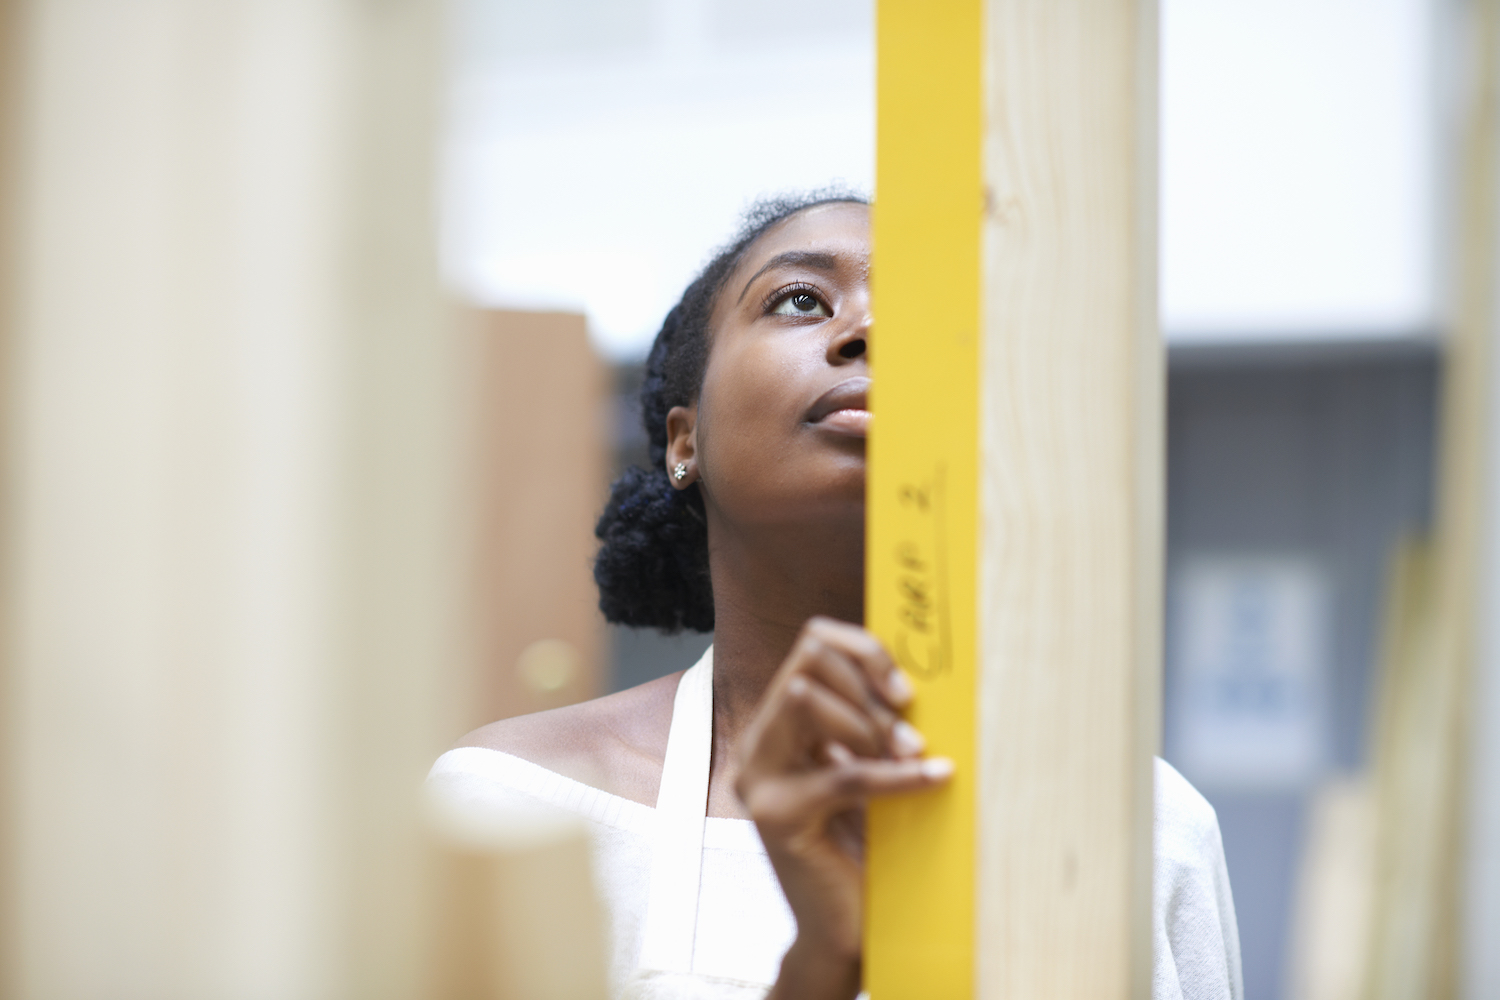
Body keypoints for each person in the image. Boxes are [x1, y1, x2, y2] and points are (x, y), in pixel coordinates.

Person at [427, 193, 1243, 1000]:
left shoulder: (1139, 832)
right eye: (800, 300)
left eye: (922, 314)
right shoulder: (506, 809)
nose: (870, 331)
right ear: (686, 441)